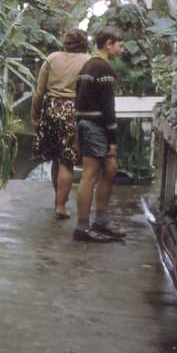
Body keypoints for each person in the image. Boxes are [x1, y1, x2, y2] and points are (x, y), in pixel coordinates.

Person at [73, 26, 127, 242]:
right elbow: (108, 108)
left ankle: (101, 221)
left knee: (110, 169)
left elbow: (78, 101)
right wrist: (112, 140)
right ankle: (82, 228)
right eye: (120, 45)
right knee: (90, 175)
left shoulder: (88, 66)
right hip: (95, 125)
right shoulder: (103, 68)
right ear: (108, 44)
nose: (121, 50)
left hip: (87, 123)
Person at [32, 29, 91, 219]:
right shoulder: (88, 61)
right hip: (73, 111)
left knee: (56, 157)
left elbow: (39, 92)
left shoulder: (52, 58)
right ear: (84, 43)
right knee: (67, 161)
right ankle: (60, 205)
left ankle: (58, 200)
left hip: (51, 108)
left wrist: (35, 114)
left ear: (65, 42)